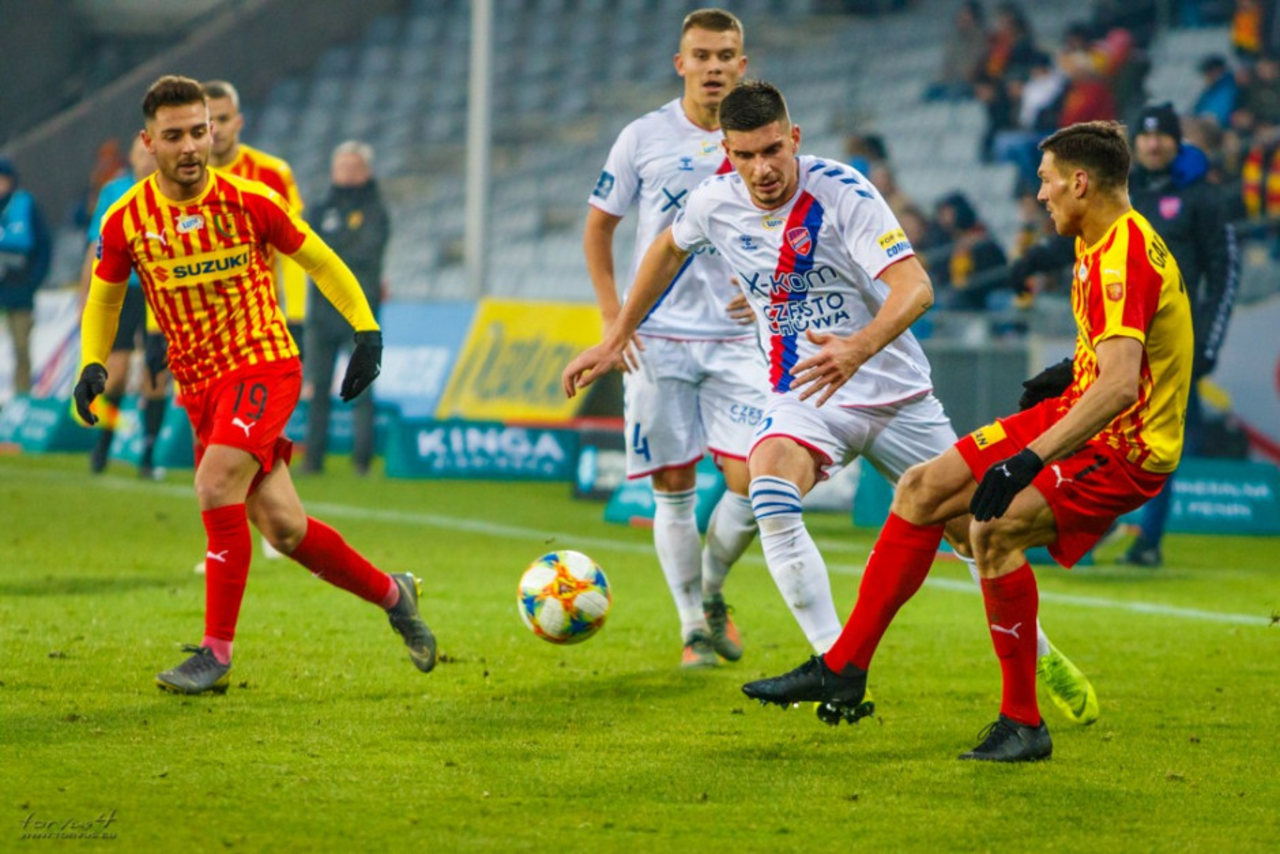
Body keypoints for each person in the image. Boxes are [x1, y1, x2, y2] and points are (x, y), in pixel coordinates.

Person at [565, 81, 1097, 727]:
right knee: (768, 485)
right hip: (806, 395)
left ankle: (1042, 656)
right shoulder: (713, 203)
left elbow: (916, 288)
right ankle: (835, 663)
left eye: (772, 151)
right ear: (726, 155)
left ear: (794, 139)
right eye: (744, 156)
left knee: (975, 534)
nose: (762, 169)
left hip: (897, 396)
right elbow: (667, 247)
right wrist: (616, 335)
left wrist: (857, 349)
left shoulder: (843, 191)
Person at [742, 120, 1193, 762]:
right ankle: (843, 667)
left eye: (1046, 181)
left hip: (1125, 448)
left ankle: (1023, 722)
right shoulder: (1104, 241)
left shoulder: (1121, 254)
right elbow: (1132, 351)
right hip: (1081, 405)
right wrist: (1073, 368)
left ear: (1080, 183)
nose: (1039, 194)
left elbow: (1120, 387)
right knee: (922, 488)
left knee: (992, 531)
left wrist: (1028, 459)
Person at [73, 75, 435, 695]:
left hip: (263, 363)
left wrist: (366, 330)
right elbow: (105, 299)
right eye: (174, 136)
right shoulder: (127, 219)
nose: (191, 145)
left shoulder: (250, 200)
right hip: (199, 385)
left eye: (199, 131)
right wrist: (92, 364)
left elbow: (319, 259)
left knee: (215, 484)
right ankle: (393, 594)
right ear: (149, 143)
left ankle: (215, 653)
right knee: (284, 528)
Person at [582, 8, 764, 668]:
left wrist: (767, 288)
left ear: (742, 65)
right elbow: (599, 227)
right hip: (657, 336)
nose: (714, 67)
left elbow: (790, 222)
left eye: (725, 55)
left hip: (739, 337)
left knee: (758, 481)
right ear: (680, 63)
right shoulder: (644, 137)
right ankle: (692, 626)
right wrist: (614, 319)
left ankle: (712, 591)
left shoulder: (762, 138)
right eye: (702, 56)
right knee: (674, 484)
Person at [80, 134, 170, 477]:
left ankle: (148, 454)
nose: (146, 159)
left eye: (151, 153)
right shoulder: (114, 191)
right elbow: (96, 245)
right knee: (115, 372)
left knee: (156, 372)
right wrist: (85, 294)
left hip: (158, 290)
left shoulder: (170, 190)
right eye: (140, 153)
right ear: (131, 157)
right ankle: (103, 445)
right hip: (122, 291)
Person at [301, 140, 389, 476]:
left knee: (362, 387)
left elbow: (365, 252)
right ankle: (312, 461)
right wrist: (332, 254)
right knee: (317, 387)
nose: (348, 173)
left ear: (366, 171)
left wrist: (330, 255)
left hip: (360, 313)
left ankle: (362, 462)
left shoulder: (376, 210)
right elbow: (308, 249)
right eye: (342, 167)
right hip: (321, 312)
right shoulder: (320, 207)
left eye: (354, 167)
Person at [202, 80, 309, 354]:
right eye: (207, 121)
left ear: (238, 122)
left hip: (260, 322)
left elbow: (293, 250)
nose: (216, 128)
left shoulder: (272, 173)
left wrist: (296, 317)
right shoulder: (176, 181)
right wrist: (155, 329)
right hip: (198, 326)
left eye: (223, 119)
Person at [0, 156, 52, 398]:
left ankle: (22, 396)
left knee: (21, 347)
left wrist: (33, 281)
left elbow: (44, 246)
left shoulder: (25, 205)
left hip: (19, 290)